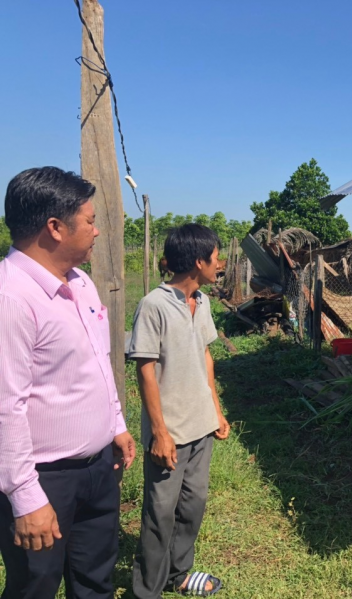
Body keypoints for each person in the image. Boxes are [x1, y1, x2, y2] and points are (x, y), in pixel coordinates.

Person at [0, 166, 136, 599]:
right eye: (91, 220)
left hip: (98, 468)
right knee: (35, 584)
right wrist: (25, 497)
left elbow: (97, 363)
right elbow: (6, 406)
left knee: (95, 578)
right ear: (55, 228)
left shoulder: (80, 283)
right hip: (43, 479)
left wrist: (115, 424)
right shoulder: (11, 298)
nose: (97, 231)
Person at [129, 224, 230, 598]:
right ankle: (146, 590)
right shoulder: (154, 305)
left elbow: (205, 356)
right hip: (169, 433)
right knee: (160, 513)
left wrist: (215, 410)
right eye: (216, 257)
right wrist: (159, 432)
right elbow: (145, 370)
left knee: (194, 504)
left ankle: (179, 573)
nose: (220, 264)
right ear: (198, 262)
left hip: (201, 426)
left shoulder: (201, 301)